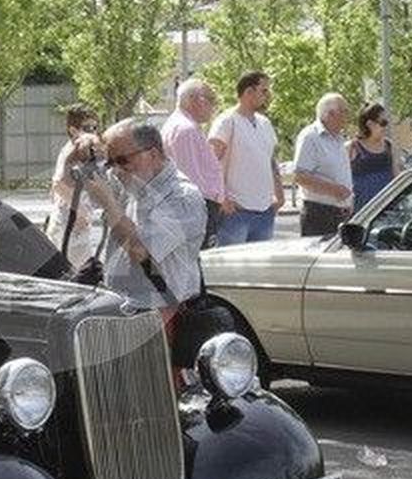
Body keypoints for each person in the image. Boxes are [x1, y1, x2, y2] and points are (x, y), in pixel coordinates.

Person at [71, 119, 206, 314]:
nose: (115, 170)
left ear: (153, 154)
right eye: (111, 162)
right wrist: (87, 146)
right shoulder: (135, 180)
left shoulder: (182, 197)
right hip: (123, 304)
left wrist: (109, 203)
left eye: (123, 161)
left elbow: (140, 252)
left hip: (161, 312)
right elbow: (88, 174)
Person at [208, 71, 283, 245]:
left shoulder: (265, 123)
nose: (267, 96)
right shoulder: (226, 121)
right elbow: (212, 162)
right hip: (236, 213)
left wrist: (280, 196)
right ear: (248, 92)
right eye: (263, 91)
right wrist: (222, 198)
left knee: (259, 271)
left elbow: (271, 160)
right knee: (233, 270)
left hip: (265, 212)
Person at [161, 78, 224, 246]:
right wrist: (217, 198)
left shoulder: (182, 126)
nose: (214, 107)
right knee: (201, 264)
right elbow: (192, 178)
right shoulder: (186, 129)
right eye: (211, 101)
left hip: (190, 209)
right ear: (195, 100)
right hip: (197, 210)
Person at [45, 105, 100, 269]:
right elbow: (58, 184)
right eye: (87, 128)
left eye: (95, 127)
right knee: (77, 272)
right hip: (69, 222)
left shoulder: (79, 150)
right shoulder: (74, 150)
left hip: (71, 220)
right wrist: (81, 212)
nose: (92, 132)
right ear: (73, 130)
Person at [293, 93, 354, 235]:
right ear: (330, 114)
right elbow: (300, 176)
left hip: (341, 214)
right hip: (319, 214)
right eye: (344, 111)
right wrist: (334, 189)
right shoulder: (310, 137)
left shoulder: (338, 139)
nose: (348, 116)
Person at [349, 101, 403, 212]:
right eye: (383, 123)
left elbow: (396, 176)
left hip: (387, 210)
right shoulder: (352, 147)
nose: (386, 127)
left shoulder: (389, 146)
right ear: (369, 124)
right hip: (362, 213)